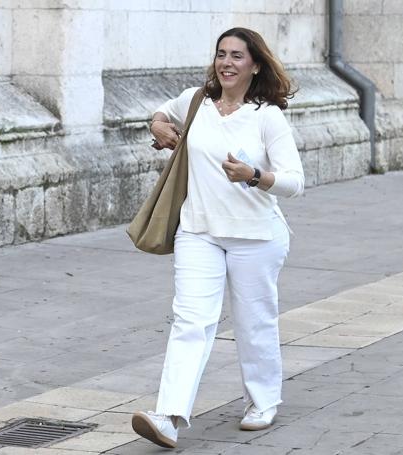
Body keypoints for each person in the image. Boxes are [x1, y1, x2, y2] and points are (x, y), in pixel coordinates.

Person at [131, 27, 304, 449]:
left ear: (255, 65)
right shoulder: (196, 101)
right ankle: (169, 416)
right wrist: (157, 125)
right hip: (199, 231)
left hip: (256, 237)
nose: (226, 63)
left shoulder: (267, 116)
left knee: (252, 321)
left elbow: (295, 182)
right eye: (221, 54)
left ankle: (262, 401)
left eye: (237, 56)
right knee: (190, 321)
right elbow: (160, 113)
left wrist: (255, 176)